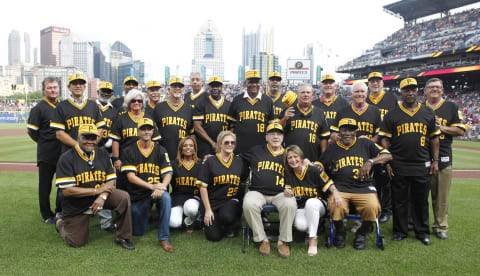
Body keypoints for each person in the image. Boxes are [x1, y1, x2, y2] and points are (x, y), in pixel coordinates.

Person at [379, 78, 440, 246]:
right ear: (401, 92)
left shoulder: (428, 112)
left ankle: (422, 232)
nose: (410, 93)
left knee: (421, 200)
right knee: (399, 200)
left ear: (417, 91)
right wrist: (388, 161)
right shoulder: (392, 114)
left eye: (413, 89)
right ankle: (400, 231)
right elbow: (384, 139)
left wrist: (435, 160)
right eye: (406, 90)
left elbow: (434, 139)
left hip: (422, 163)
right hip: (399, 164)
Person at [55, 124, 134, 250]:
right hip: (76, 202)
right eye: (86, 137)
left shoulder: (102, 154)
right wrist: (97, 191)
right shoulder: (67, 157)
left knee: (123, 197)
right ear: (78, 138)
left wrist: (102, 196)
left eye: (93, 138)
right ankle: (60, 223)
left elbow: (111, 180)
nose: (90, 141)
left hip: (99, 197)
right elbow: (67, 191)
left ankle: (123, 237)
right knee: (76, 241)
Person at [319, 118, 392, 250]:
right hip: (341, 188)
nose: (347, 133)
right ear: (339, 131)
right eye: (344, 129)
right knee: (335, 206)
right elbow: (321, 163)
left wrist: (370, 161)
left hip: (364, 187)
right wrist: (314, 165)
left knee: (373, 207)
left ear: (356, 131)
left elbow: (387, 155)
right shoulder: (332, 147)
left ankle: (361, 233)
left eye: (351, 129)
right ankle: (340, 231)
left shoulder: (365, 143)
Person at [241, 123, 296, 258]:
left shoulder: (289, 154)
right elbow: (237, 159)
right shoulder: (256, 150)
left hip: (280, 193)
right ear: (266, 137)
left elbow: (298, 172)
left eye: (278, 134)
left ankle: (283, 241)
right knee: (248, 203)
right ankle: (262, 239)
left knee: (290, 203)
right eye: (272, 134)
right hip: (257, 192)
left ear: (283, 137)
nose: (275, 137)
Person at [121, 118, 174, 252]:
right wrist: (152, 187)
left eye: (149, 129)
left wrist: (162, 186)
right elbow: (131, 177)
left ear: (153, 131)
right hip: (138, 194)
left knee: (166, 198)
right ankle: (149, 213)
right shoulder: (129, 150)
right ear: (138, 131)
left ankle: (163, 238)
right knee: (138, 232)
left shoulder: (160, 150)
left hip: (157, 191)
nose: (146, 132)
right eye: (143, 129)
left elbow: (168, 173)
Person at [424, 78, 466, 240]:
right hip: (421, 156)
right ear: (425, 91)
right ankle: (417, 224)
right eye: (431, 87)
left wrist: (441, 128)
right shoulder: (420, 108)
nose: (435, 89)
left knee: (441, 196)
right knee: (418, 195)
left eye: (438, 87)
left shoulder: (451, 107)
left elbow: (460, 130)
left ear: (442, 90)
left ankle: (440, 226)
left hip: (443, 156)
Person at [283, 145, 335, 256]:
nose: (293, 160)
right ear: (287, 161)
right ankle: (315, 225)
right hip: (301, 208)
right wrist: (286, 192)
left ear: (301, 157)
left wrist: (336, 194)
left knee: (311, 203)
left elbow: (329, 184)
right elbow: (287, 190)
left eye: (295, 156)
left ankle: (313, 240)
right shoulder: (288, 174)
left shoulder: (313, 170)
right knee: (301, 226)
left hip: (318, 204)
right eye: (289, 158)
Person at [197, 131, 248, 241]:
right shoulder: (210, 161)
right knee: (214, 237)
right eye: (226, 142)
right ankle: (210, 220)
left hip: (229, 200)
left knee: (227, 217)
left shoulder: (239, 161)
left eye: (232, 142)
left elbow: (243, 181)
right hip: (212, 201)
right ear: (220, 144)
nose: (230, 145)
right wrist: (208, 210)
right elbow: (202, 187)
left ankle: (232, 222)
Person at [27, 77, 62, 224]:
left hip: (63, 153)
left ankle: (60, 212)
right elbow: (32, 132)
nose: (53, 90)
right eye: (49, 88)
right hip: (47, 154)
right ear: (44, 90)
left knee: (63, 185)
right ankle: (46, 215)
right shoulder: (38, 108)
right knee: (45, 186)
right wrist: (43, 142)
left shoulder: (64, 106)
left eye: (55, 87)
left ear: (59, 88)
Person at [110, 89, 160, 190]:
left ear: (142, 103)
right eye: (133, 101)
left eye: (139, 101)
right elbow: (116, 140)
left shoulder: (148, 119)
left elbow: (155, 140)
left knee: (144, 187)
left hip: (144, 159)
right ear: (128, 103)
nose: (136, 103)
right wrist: (116, 159)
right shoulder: (121, 119)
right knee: (124, 187)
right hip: (125, 159)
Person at [366, 72, 398, 223]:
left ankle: (386, 210)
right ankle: (372, 209)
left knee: (385, 180)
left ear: (382, 83)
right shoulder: (364, 99)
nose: (375, 84)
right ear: (368, 84)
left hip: (385, 145)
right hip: (366, 148)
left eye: (378, 81)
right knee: (369, 181)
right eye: (372, 81)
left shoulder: (391, 98)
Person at [50, 74, 105, 153]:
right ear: (69, 87)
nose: (78, 86)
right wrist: (79, 146)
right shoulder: (61, 106)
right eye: (75, 83)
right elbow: (59, 134)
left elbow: (100, 129)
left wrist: (90, 144)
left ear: (85, 87)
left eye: (81, 83)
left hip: (90, 153)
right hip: (69, 153)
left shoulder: (93, 105)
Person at [280, 84, 330, 164]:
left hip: (313, 158)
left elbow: (324, 138)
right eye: (302, 92)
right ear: (298, 95)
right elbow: (277, 131)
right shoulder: (288, 111)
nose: (305, 95)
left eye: (308, 92)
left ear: (313, 95)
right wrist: (284, 119)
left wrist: (322, 160)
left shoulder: (320, 113)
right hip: (292, 160)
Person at [227, 70, 275, 154]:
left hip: (262, 149)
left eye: (256, 82)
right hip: (240, 149)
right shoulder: (237, 100)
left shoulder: (268, 101)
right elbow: (231, 126)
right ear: (246, 83)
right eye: (251, 82)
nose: (254, 84)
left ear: (260, 83)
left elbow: (271, 128)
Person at [95, 81, 118, 232]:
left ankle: (106, 221)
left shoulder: (114, 110)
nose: (106, 93)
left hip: (107, 152)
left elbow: (116, 131)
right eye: (104, 90)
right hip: (90, 149)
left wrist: (108, 142)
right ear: (98, 91)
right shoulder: (90, 107)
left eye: (109, 91)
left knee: (107, 183)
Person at [152, 77, 193, 160]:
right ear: (168, 90)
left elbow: (192, 135)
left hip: (183, 154)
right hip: (163, 152)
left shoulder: (189, 109)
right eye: (174, 86)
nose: (177, 88)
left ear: (183, 90)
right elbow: (152, 131)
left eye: (180, 87)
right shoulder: (159, 107)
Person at [169, 136, 202, 232]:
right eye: (185, 145)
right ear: (181, 149)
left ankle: (191, 221)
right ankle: (183, 219)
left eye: (191, 145)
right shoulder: (173, 164)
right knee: (174, 223)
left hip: (194, 198)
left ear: (195, 148)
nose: (188, 148)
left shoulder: (201, 164)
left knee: (191, 208)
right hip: (177, 198)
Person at [193, 76, 231, 158]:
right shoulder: (200, 103)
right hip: (205, 146)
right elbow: (197, 127)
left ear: (222, 87)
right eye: (212, 86)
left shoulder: (229, 105)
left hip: (224, 146)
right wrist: (212, 143)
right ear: (208, 88)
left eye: (217, 86)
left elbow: (232, 126)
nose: (215, 88)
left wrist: (224, 142)